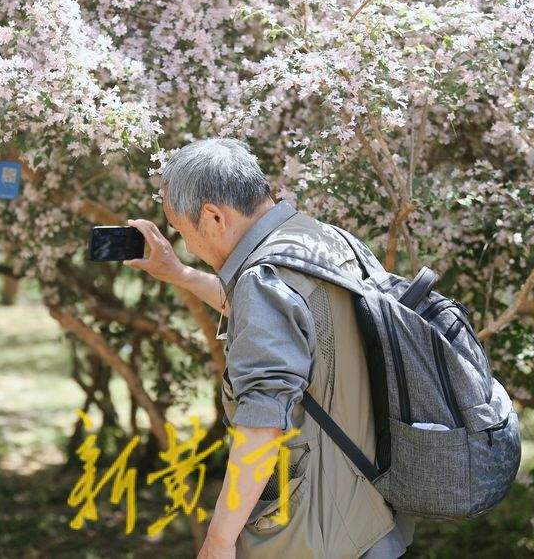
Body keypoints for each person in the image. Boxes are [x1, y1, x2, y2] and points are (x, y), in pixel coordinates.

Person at [124, 137, 414, 559]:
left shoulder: (263, 281)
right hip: (376, 514)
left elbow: (261, 427)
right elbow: (283, 322)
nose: (186, 243)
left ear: (213, 217)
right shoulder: (324, 241)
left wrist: (219, 540)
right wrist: (181, 273)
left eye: (183, 231)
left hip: (319, 535)